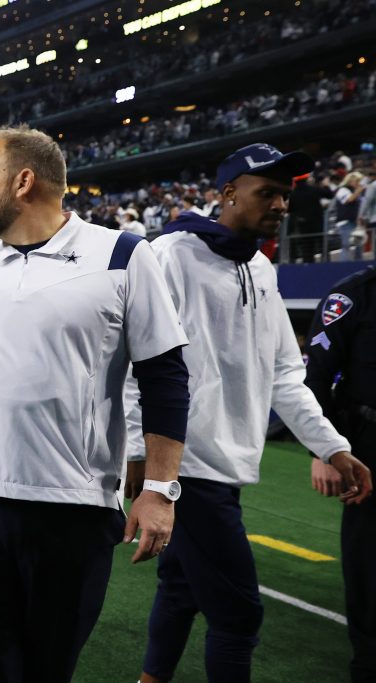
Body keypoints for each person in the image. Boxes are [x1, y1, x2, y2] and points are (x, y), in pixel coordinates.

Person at [0, 124, 191, 682]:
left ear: (23, 181)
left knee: (46, 671)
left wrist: (159, 490)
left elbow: (165, 376)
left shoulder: (124, 255)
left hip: (72, 509)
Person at [127, 143, 373, 683]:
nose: (282, 205)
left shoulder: (260, 267)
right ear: (228, 193)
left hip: (227, 464)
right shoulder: (170, 254)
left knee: (182, 589)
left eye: (286, 195)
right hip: (186, 467)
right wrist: (139, 456)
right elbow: (134, 362)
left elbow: (286, 372)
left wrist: (331, 446)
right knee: (239, 615)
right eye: (268, 193)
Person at [304, 267, 376, 682]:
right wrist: (324, 451)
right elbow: (315, 379)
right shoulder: (351, 297)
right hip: (369, 448)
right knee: (368, 566)